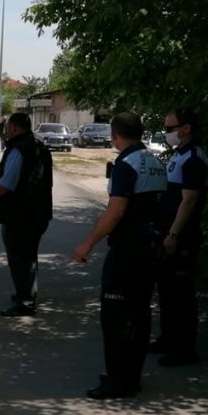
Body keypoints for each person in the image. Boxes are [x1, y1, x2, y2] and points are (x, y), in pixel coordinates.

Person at [72, 112, 166, 399]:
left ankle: (118, 380)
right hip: (151, 248)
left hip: (128, 251)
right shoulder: (155, 162)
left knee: (115, 315)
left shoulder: (126, 165)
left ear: (114, 136)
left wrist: (87, 244)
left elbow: (116, 212)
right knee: (139, 313)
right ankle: (130, 375)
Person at [152, 107, 208, 366]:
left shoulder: (194, 158)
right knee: (167, 291)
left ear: (186, 128)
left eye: (170, 128)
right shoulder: (180, 154)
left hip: (182, 236)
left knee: (181, 294)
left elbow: (189, 200)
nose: (167, 133)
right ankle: (168, 339)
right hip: (168, 233)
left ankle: (185, 349)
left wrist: (174, 234)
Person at [0, 111, 53, 317]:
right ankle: (27, 293)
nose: (5, 131)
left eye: (7, 127)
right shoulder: (38, 145)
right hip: (39, 212)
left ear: (13, 127)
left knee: (19, 258)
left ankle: (25, 302)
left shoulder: (19, 149)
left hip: (20, 214)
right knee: (29, 256)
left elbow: (8, 183)